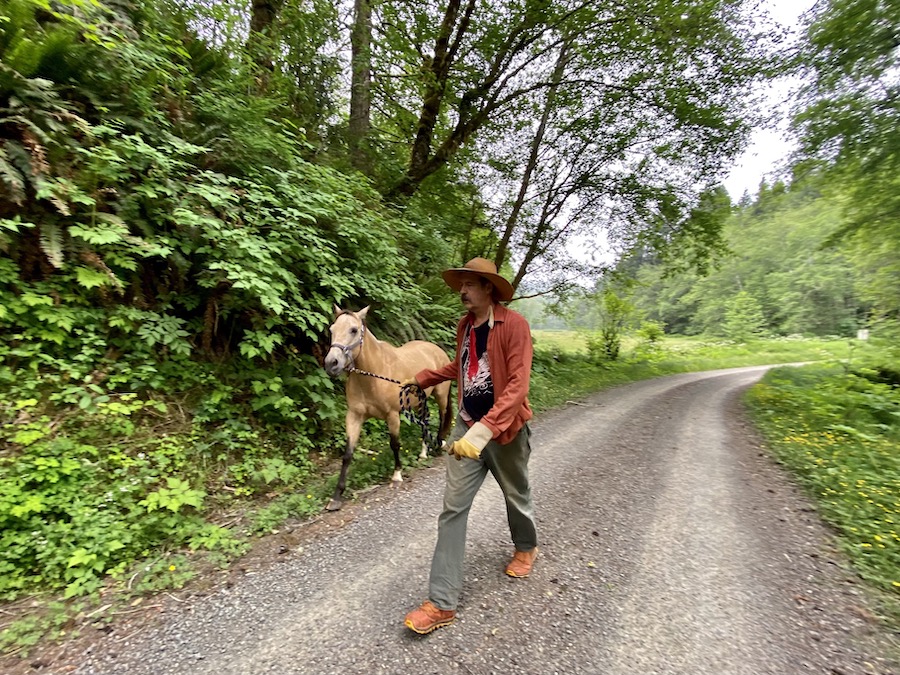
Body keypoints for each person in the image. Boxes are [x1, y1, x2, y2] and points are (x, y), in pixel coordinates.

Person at [402, 257, 538, 635]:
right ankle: (442, 603)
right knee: (453, 509)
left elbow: (517, 385)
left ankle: (526, 546)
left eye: (469, 284)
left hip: (505, 430)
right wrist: (420, 378)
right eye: (460, 284)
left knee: (517, 495)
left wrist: (486, 430)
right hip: (467, 424)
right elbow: (461, 368)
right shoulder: (465, 326)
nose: (461, 291)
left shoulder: (515, 326)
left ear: (488, 288)